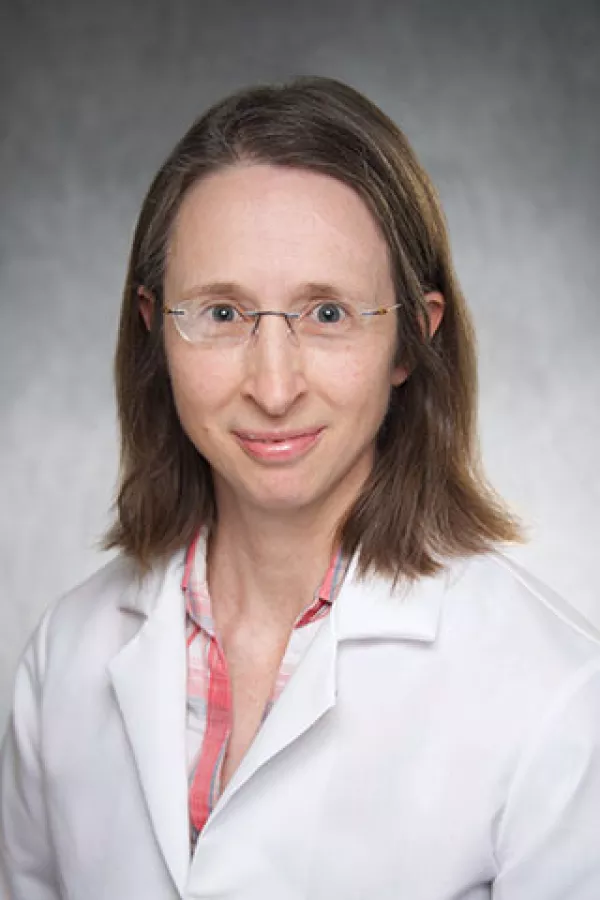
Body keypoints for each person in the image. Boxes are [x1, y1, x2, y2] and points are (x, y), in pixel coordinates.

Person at [1, 76, 599, 900]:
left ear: (411, 341)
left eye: (327, 314)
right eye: (221, 313)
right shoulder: (66, 654)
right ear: (154, 329)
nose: (274, 388)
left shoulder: (558, 694)